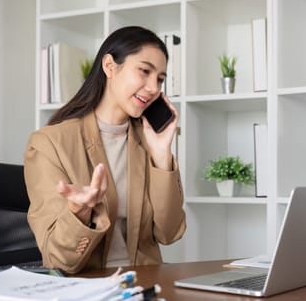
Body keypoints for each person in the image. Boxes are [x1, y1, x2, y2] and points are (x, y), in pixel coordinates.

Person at [24, 26, 186, 274]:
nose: (154, 87)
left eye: (160, 79)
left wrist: (162, 154)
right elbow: (58, 259)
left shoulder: (148, 141)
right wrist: (79, 212)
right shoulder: (49, 143)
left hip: (143, 284)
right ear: (110, 66)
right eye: (144, 71)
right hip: (85, 287)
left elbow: (169, 232)